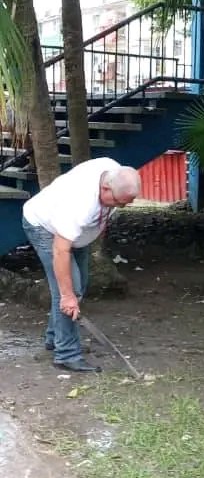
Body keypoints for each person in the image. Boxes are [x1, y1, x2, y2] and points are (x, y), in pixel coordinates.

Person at [22, 158, 141, 373]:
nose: (121, 207)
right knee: (69, 291)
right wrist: (68, 296)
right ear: (105, 188)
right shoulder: (79, 204)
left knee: (81, 284)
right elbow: (60, 251)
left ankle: (55, 338)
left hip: (75, 235)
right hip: (45, 227)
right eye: (119, 202)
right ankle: (66, 354)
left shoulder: (114, 170)